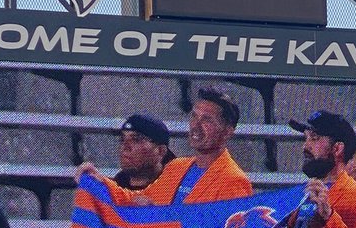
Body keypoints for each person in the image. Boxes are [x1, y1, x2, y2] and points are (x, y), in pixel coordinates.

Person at [79, 87, 251, 205]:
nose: (196, 126)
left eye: (207, 120)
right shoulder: (176, 167)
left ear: (228, 131)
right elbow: (138, 199)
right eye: (194, 117)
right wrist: (98, 182)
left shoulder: (234, 181)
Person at [114, 114, 174, 190]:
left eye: (136, 139)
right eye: (122, 139)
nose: (125, 147)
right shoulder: (116, 186)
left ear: (160, 151)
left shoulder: (177, 187)